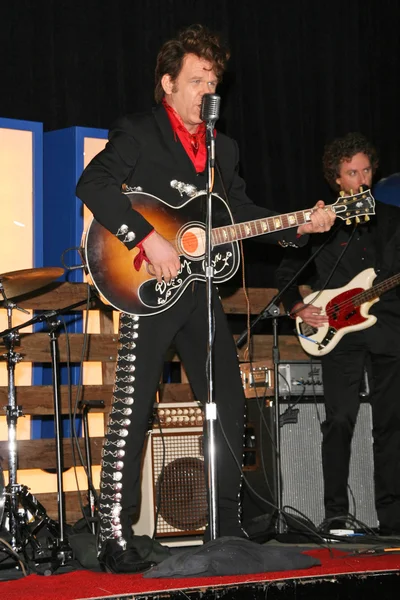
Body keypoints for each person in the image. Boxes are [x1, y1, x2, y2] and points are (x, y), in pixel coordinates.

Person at [76, 24, 335, 573]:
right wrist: (145, 237)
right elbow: (93, 185)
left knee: (230, 402)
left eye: (212, 81)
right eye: (196, 80)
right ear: (168, 83)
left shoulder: (225, 149)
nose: (206, 91)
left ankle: (228, 528)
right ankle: (114, 533)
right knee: (134, 408)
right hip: (146, 286)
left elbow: (239, 213)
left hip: (200, 292)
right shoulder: (140, 132)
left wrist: (298, 227)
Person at [276, 132, 400, 535]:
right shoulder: (323, 222)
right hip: (338, 333)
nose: (361, 179)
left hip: (389, 328)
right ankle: (335, 517)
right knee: (340, 420)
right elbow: (285, 275)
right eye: (351, 172)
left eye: (366, 170)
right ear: (336, 178)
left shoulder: (394, 219)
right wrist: (299, 307)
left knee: (390, 425)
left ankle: (393, 519)